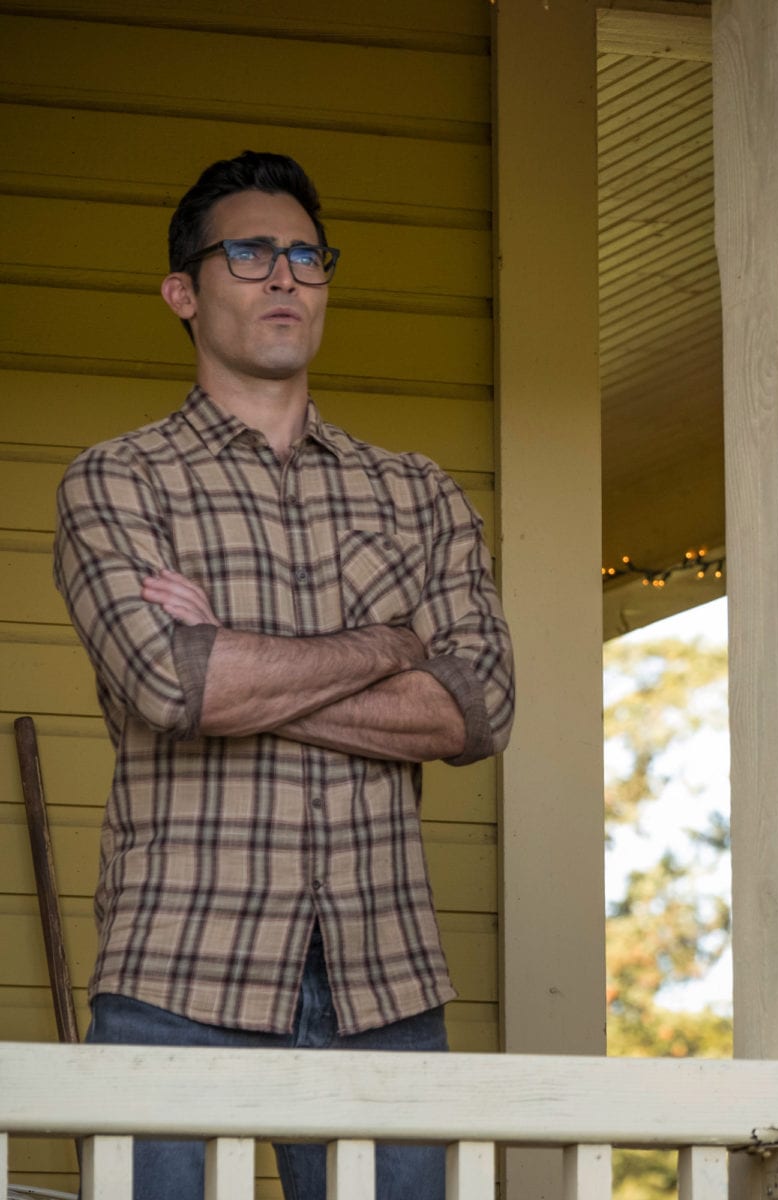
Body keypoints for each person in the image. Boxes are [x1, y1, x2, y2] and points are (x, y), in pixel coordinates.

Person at [53, 151, 514, 1200]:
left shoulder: (418, 494)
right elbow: (175, 687)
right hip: (177, 969)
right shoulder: (119, 479)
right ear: (183, 292)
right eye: (250, 252)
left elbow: (477, 707)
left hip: (383, 976)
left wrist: (238, 661)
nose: (284, 277)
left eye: (307, 256)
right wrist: (391, 645)